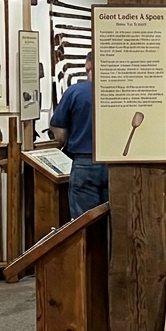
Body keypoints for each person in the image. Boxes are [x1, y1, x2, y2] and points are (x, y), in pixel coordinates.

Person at [49, 52, 107, 219]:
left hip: (84, 164)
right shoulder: (118, 93)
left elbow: (59, 132)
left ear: (88, 66)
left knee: (83, 224)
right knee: (115, 224)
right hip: (114, 163)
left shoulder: (74, 92)